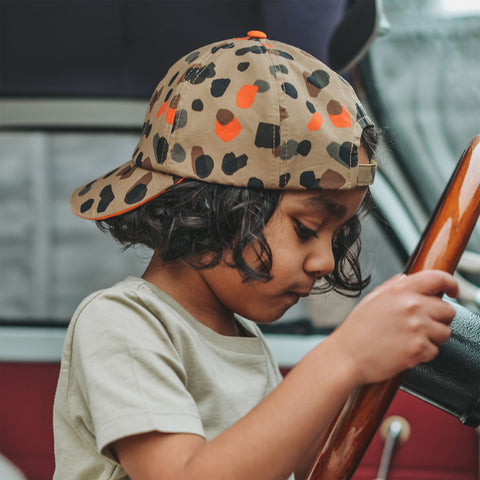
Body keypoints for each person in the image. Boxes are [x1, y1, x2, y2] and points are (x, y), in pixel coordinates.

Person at [53, 31, 458, 480]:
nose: (325, 260)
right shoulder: (122, 323)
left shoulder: (241, 338)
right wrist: (344, 356)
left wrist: (363, 369)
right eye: (306, 229)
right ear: (211, 207)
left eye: (337, 236)